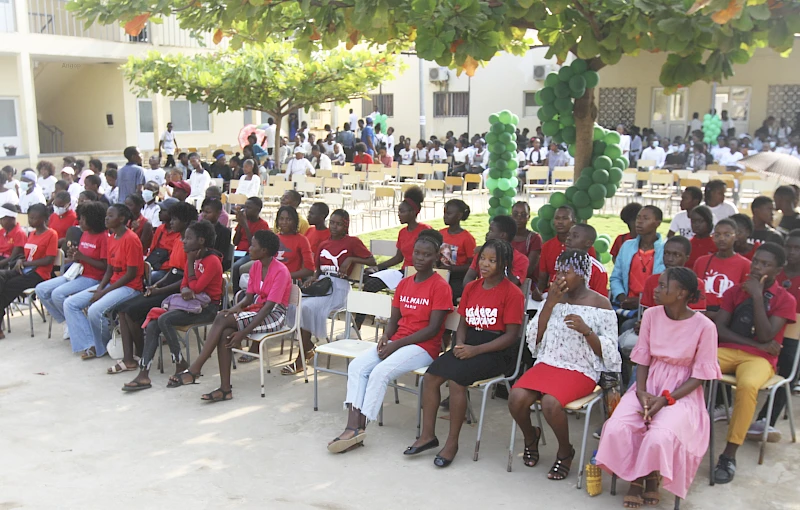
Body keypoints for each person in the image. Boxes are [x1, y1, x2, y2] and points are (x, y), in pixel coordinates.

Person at [597, 267, 721, 505]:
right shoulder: (652, 316)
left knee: (660, 435)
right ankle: (644, 476)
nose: (656, 289)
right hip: (649, 384)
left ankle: (644, 477)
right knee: (617, 427)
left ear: (682, 293)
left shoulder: (705, 327)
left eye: (664, 286)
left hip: (682, 393)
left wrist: (665, 399)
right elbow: (642, 359)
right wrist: (642, 392)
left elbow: (700, 376)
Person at [327, 231, 453, 453]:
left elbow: (433, 329)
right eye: (417, 253)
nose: (420, 258)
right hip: (397, 341)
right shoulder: (404, 284)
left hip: (423, 347)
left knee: (380, 372)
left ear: (436, 258)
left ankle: (360, 428)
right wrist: (386, 337)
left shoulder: (440, 287)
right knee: (357, 366)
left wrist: (397, 344)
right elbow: (394, 320)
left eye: (426, 254)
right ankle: (351, 426)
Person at [405, 239, 524, 466]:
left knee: (457, 381)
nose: (485, 264)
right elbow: (463, 324)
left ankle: (452, 443)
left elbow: (511, 336)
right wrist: (459, 345)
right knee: (431, 377)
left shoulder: (512, 293)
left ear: (504, 263)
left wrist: (475, 350)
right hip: (468, 344)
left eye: (492, 260)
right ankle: (428, 435)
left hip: (496, 350)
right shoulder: (471, 288)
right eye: (482, 259)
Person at [508, 250, 621, 480]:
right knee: (516, 397)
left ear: (582, 275)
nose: (559, 277)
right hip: (548, 362)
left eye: (566, 272)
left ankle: (565, 451)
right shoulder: (554, 298)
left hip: (581, 368)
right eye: (557, 271)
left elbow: (609, 352)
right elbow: (535, 341)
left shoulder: (600, 304)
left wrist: (587, 331)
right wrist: (549, 304)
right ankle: (531, 437)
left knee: (551, 403)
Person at [168, 230, 292, 402]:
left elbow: (268, 308)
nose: (249, 248)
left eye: (253, 245)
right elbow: (248, 298)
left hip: (274, 314)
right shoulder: (255, 266)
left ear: (264, 250)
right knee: (225, 331)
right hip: (256, 309)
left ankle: (195, 368)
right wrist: (234, 310)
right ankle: (225, 389)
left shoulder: (281, 271)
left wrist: (243, 333)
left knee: (221, 318)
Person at [713, 242, 796, 484]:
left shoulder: (785, 299)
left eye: (765, 264)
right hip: (727, 351)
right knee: (693, 366)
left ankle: (729, 454)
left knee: (748, 385)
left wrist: (758, 297)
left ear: (778, 270)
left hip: (761, 359)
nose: (757, 267)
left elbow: (765, 335)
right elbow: (719, 329)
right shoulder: (734, 292)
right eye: (756, 261)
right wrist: (758, 344)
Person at [122, 220, 222, 390]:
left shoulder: (212, 261)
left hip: (207, 308)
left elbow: (196, 287)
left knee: (165, 319)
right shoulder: (193, 258)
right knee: (154, 324)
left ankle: (180, 363)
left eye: (188, 238)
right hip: (190, 304)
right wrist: (186, 288)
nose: (183, 241)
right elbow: (185, 284)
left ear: (201, 241)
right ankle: (143, 374)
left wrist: (190, 264)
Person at [283, 210, 376, 374]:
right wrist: (313, 278)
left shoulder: (352, 242)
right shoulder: (324, 244)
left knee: (306, 307)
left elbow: (371, 260)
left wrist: (351, 259)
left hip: (339, 288)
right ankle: (309, 346)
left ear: (346, 225)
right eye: (332, 222)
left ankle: (301, 359)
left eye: (338, 223)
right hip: (322, 284)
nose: (334, 226)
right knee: (295, 304)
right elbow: (318, 269)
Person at [107, 202, 195, 374]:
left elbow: (185, 278)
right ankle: (131, 357)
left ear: (185, 221)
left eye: (175, 219)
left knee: (132, 310)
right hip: (169, 282)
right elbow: (173, 270)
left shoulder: (190, 245)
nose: (171, 222)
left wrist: (160, 290)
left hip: (179, 290)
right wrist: (156, 285)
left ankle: (137, 355)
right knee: (123, 310)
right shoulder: (179, 239)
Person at [63, 204, 144, 359]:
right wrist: (100, 288)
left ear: (121, 219)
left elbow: (130, 274)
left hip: (129, 287)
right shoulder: (112, 237)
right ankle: (89, 343)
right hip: (111, 284)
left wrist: (104, 292)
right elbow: (109, 269)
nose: (106, 218)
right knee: (70, 304)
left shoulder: (131, 239)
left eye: (110, 215)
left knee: (95, 310)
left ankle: (103, 345)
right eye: (106, 215)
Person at [748, 230, 800, 440]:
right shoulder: (772, 270)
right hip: (760, 328)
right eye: (789, 247)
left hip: (791, 333)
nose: (792, 252)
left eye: (798, 248)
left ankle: (765, 420)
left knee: (788, 363)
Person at [35, 202, 108, 342]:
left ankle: (79, 328)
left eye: (82, 218)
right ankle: (68, 322)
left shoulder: (103, 237)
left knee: (58, 294)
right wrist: (74, 255)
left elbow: (105, 266)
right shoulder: (85, 234)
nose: (79, 221)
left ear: (92, 219)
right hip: (78, 272)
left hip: (93, 278)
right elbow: (81, 257)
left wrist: (82, 257)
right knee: (41, 289)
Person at [359, 187, 431, 322]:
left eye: (402, 211)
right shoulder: (402, 232)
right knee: (369, 283)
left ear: (413, 212)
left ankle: (389, 317)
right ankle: (357, 326)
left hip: (418, 274)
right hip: (403, 272)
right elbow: (398, 258)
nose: (399, 214)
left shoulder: (425, 231)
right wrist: (378, 267)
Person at [611, 206, 665, 313]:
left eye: (645, 218)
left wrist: (641, 300)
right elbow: (615, 278)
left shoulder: (665, 250)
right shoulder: (627, 246)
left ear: (657, 223)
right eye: (638, 218)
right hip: (626, 304)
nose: (639, 222)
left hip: (653, 306)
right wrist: (622, 297)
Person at [693, 219, 750, 317]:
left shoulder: (745, 264)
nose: (722, 238)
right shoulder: (701, 262)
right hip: (702, 314)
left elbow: (744, 298)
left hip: (729, 316)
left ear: (736, 236)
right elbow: (694, 292)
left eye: (727, 235)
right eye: (717, 235)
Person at [537, 206, 597, 292]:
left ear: (573, 221)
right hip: (551, 293)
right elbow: (543, 278)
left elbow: (591, 276)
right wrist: (539, 292)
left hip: (577, 295)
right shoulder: (547, 246)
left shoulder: (585, 248)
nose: (560, 222)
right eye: (557, 218)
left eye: (565, 218)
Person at [640, 236, 707, 311]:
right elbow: (645, 311)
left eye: (677, 255)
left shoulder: (696, 284)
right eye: (666, 253)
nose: (670, 259)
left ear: (687, 258)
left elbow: (697, 317)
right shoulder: (652, 280)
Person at [464, 215, 529, 287]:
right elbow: (468, 278)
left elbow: (513, 284)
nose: (487, 234)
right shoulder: (483, 253)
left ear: (503, 235)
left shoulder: (521, 259)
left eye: (491, 230)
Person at [438, 199, 476, 301]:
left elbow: (472, 265)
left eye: (449, 213)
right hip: (440, 274)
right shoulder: (441, 233)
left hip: (457, 278)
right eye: (445, 213)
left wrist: (452, 269)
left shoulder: (467, 238)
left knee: (448, 294)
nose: (445, 216)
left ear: (459, 216)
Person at [231, 197, 270, 290]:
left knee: (236, 267)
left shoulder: (263, 225)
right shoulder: (243, 221)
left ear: (258, 210)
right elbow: (235, 242)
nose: (245, 210)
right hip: (239, 252)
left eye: (249, 208)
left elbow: (253, 245)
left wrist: (245, 225)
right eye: (245, 207)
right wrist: (240, 225)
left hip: (251, 254)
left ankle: (237, 293)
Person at [565, 224, 609, 296]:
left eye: (575, 236)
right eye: (568, 235)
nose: (568, 238)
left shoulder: (598, 270)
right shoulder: (563, 263)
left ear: (588, 243)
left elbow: (600, 300)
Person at [511, 202, 542, 284]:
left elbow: (528, 270)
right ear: (511, 216)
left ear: (529, 217)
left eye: (523, 215)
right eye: (515, 214)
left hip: (527, 284)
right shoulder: (505, 236)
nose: (519, 218)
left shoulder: (534, 238)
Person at [199, 197, 232, 270]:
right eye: (203, 211)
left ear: (218, 213)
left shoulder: (224, 232)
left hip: (215, 264)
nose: (204, 215)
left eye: (208, 212)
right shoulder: (197, 228)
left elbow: (222, 254)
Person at [686, 205, 717, 269]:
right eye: (693, 221)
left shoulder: (716, 245)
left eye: (701, 221)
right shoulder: (687, 245)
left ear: (709, 222)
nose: (696, 224)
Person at [0, 204, 25, 269]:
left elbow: (13, 257)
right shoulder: (2, 231)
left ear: (12, 218)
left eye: (2, 219)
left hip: (8, 263)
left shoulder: (19, 233)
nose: (0, 221)